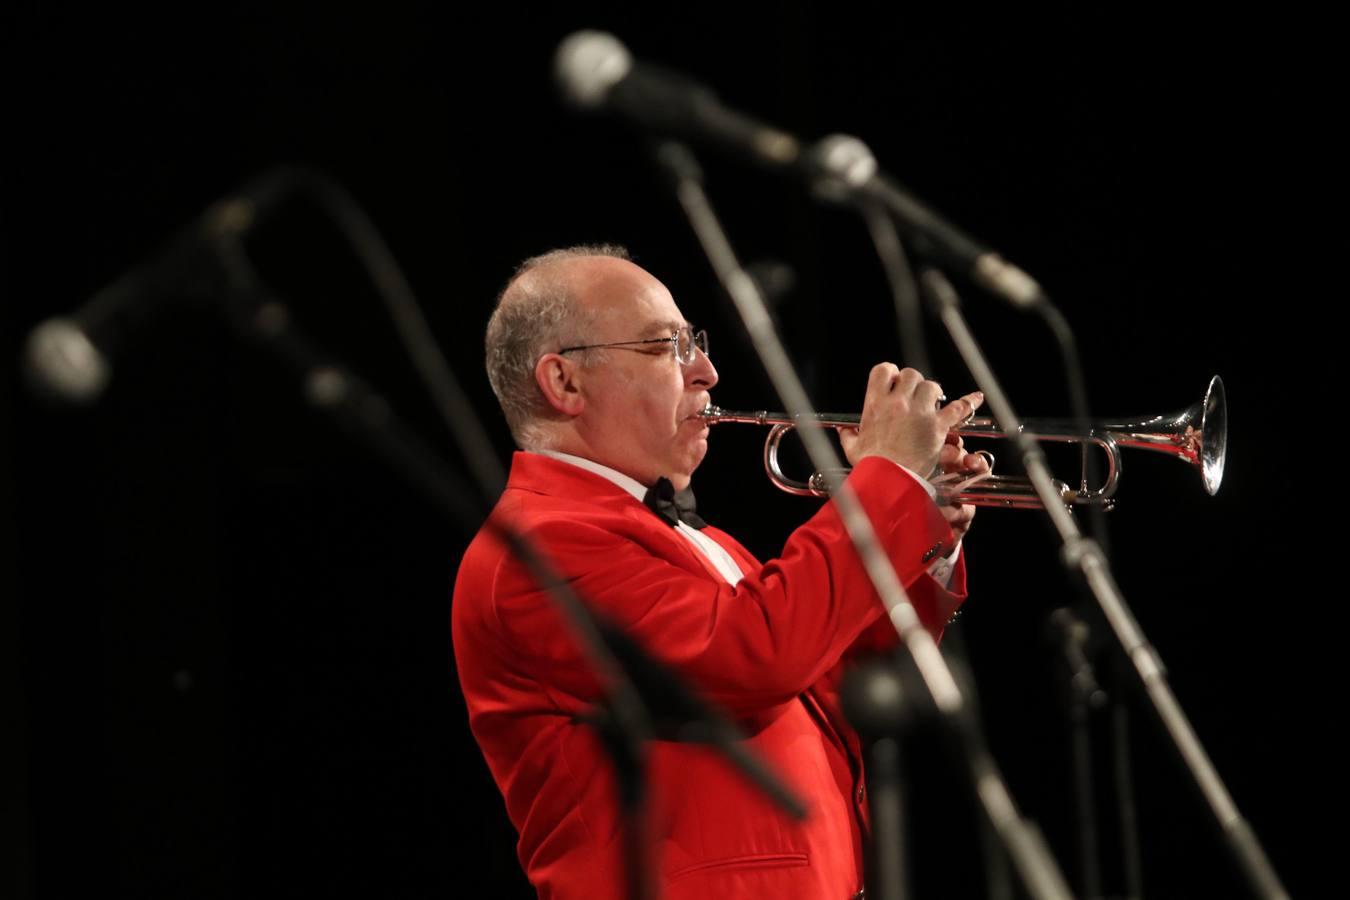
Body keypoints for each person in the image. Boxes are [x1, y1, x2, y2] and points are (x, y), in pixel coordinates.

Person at [453, 245, 988, 900]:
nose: (707, 371)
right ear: (564, 383)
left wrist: (923, 532)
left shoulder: (701, 540)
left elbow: (839, 687)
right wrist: (884, 490)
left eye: (695, 344)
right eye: (664, 348)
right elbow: (752, 656)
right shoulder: (536, 548)